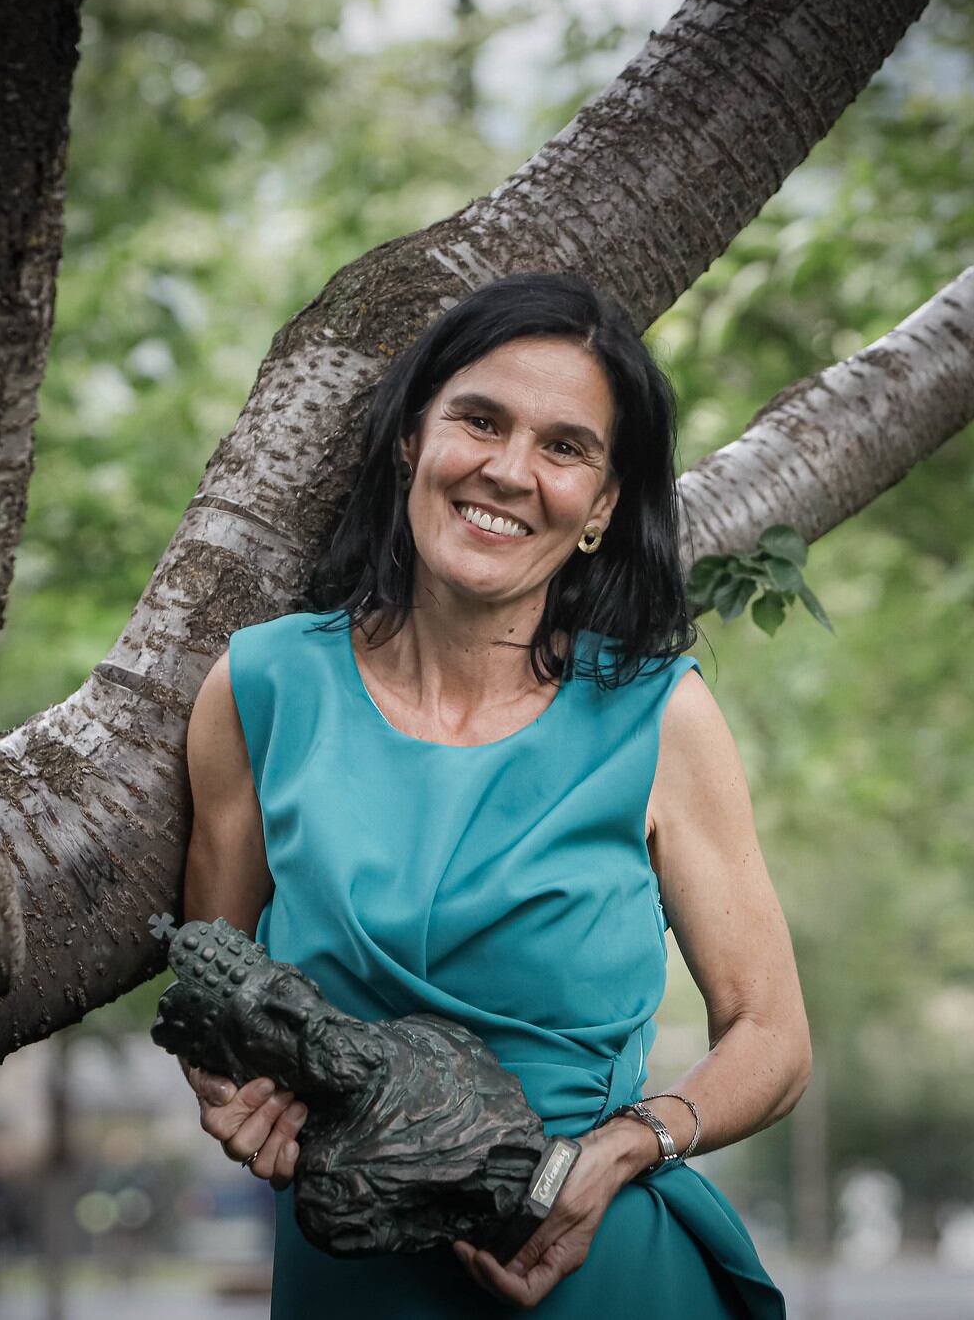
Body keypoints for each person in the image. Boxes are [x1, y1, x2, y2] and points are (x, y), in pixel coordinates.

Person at [176, 272, 811, 1316]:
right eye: (479, 420)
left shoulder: (660, 717)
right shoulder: (260, 687)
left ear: (602, 505)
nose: (509, 471)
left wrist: (621, 1147)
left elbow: (772, 1039)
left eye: (564, 447)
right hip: (350, 1270)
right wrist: (232, 1095)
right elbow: (216, 990)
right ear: (409, 443)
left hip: (594, 1264)